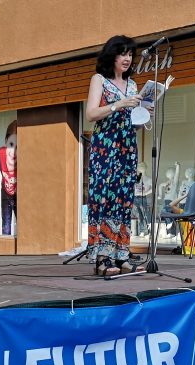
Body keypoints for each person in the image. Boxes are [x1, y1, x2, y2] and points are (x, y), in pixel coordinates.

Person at [85, 35, 142, 276]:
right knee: (104, 199)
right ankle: (102, 257)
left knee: (123, 200)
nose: (127, 58)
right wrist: (118, 105)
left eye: (130, 54)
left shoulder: (132, 85)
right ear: (112, 56)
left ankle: (121, 254)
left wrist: (143, 111)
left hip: (126, 147)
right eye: (123, 53)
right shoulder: (99, 79)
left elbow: (133, 123)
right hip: (105, 148)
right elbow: (91, 113)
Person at [0, 120, 18, 236]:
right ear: (6, 142)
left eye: (18, 146)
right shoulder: (0, 153)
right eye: (11, 145)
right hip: (5, 194)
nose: (14, 152)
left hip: (17, 196)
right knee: (6, 224)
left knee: (22, 223)